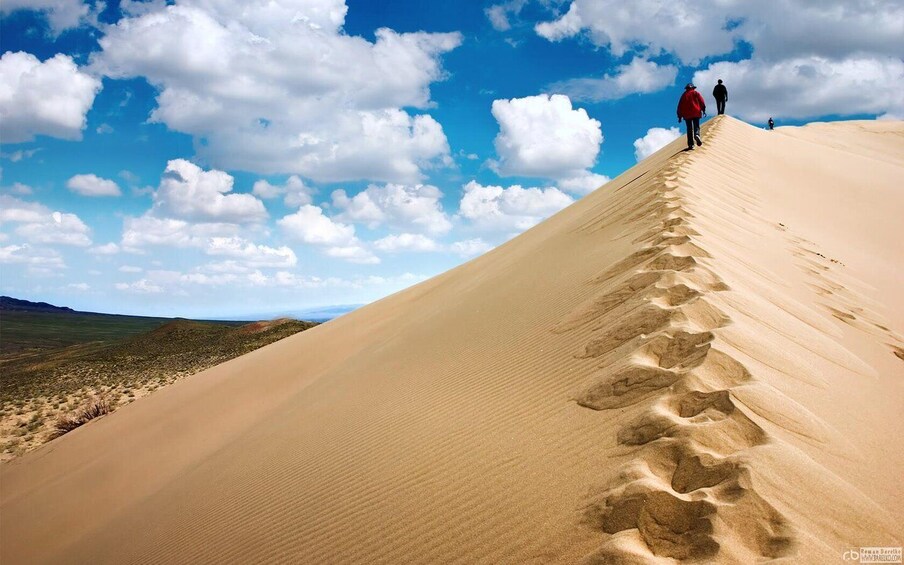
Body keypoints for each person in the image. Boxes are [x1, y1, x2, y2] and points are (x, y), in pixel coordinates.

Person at [677, 83, 706, 150]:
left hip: (687, 115)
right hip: (696, 112)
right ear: (693, 88)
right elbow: (701, 101)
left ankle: (691, 144)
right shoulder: (696, 93)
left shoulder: (684, 95)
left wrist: (679, 116)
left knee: (689, 129)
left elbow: (680, 106)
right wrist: (703, 109)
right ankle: (696, 134)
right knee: (696, 126)